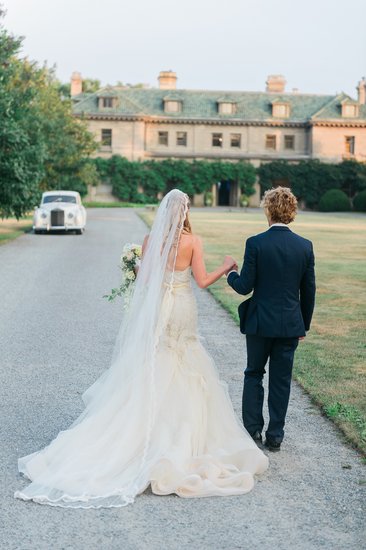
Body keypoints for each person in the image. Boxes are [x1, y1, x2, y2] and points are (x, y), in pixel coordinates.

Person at [15, 189, 268, 508]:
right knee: (185, 359)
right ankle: (183, 435)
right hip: (183, 307)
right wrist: (227, 265)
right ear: (186, 211)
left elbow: (144, 279)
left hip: (161, 305)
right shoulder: (193, 242)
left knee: (158, 358)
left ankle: (144, 429)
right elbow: (202, 281)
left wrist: (131, 265)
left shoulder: (151, 240)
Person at [227, 187, 316, 452]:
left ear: (268, 209)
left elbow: (244, 286)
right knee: (281, 379)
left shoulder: (256, 243)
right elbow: (308, 290)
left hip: (259, 324)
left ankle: (253, 429)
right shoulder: (304, 246)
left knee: (254, 372)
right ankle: (275, 435)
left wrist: (231, 273)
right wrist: (304, 325)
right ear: (292, 212)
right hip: (290, 324)